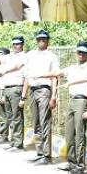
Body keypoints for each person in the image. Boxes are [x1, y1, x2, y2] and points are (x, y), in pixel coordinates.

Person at [49, 41, 87, 174]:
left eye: (84, 52)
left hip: (82, 101)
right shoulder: (71, 68)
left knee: (79, 135)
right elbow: (57, 73)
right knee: (69, 134)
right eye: (79, 52)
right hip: (72, 100)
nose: (81, 55)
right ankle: (71, 162)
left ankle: (80, 165)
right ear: (76, 53)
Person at [18, 30, 59, 164]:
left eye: (44, 39)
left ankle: (47, 156)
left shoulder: (52, 56)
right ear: (36, 40)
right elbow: (26, 74)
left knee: (45, 122)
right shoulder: (30, 55)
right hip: (32, 90)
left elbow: (55, 76)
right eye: (39, 38)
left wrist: (54, 96)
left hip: (44, 90)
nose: (42, 40)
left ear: (48, 41)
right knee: (35, 123)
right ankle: (40, 152)